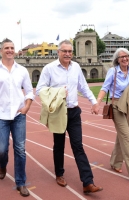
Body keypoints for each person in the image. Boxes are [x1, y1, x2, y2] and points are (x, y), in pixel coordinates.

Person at [36, 39, 103, 194]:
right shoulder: (49, 69)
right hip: (58, 112)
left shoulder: (76, 67)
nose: (67, 54)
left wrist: (94, 102)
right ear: (58, 52)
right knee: (59, 145)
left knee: (78, 146)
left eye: (70, 51)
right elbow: (39, 90)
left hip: (73, 112)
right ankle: (59, 174)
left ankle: (88, 182)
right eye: (64, 51)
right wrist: (58, 93)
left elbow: (83, 86)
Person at [0, 38, 34, 197]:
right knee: (2, 149)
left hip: (19, 115)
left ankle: (20, 182)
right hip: (0, 116)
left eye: (12, 47)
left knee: (20, 149)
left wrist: (26, 107)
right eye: (6, 48)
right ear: (1, 51)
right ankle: (3, 165)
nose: (10, 50)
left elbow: (30, 91)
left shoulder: (22, 70)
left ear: (15, 50)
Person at [97, 47, 129, 181]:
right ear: (117, 60)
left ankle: (115, 162)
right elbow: (105, 87)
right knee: (127, 137)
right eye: (122, 57)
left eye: (127, 56)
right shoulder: (113, 71)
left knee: (122, 136)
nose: (125, 58)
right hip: (116, 105)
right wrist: (98, 102)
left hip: (128, 105)